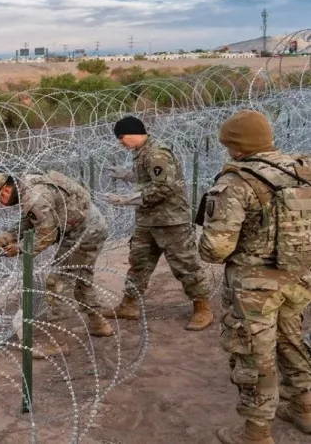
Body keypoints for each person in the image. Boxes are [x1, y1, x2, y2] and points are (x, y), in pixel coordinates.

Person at [197, 109, 311, 443]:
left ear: (235, 145)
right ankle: (304, 408)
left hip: (253, 287)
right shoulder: (301, 169)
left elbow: (216, 249)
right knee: (291, 340)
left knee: (254, 354)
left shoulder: (236, 182)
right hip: (299, 276)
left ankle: (256, 433)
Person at [0, 170, 114, 352]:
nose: (1, 202)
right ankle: (99, 325)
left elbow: (47, 234)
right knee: (82, 280)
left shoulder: (35, 196)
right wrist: (6, 238)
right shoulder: (27, 183)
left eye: (1, 197)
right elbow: (31, 219)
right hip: (89, 226)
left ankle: (58, 344)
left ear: (7, 188)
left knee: (57, 284)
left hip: (84, 233)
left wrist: (20, 249)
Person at [103, 115, 213, 331]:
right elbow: (149, 179)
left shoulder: (156, 153)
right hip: (148, 220)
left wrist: (128, 200)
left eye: (122, 136)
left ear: (135, 133)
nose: (120, 142)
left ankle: (202, 308)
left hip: (170, 220)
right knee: (139, 263)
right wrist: (126, 175)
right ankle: (129, 305)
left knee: (185, 264)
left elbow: (164, 187)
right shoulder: (142, 153)